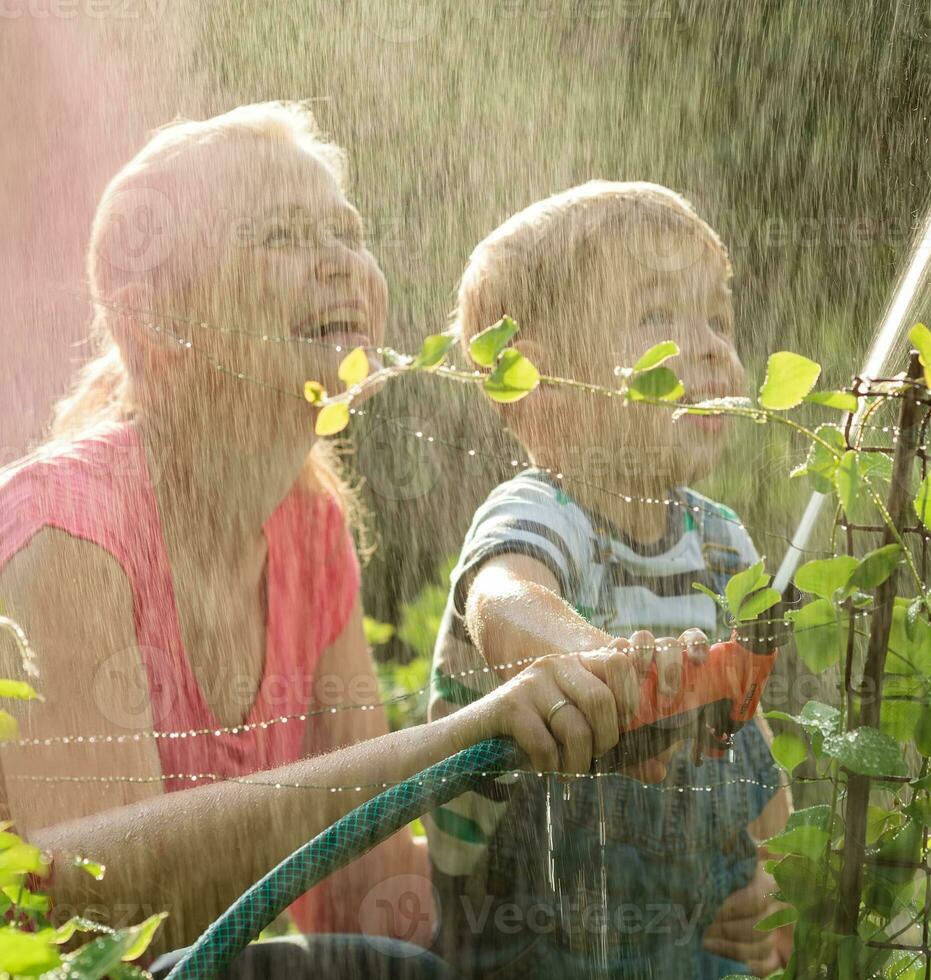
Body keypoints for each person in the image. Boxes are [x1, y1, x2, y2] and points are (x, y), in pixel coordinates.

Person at [0, 104, 647, 976]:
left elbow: (358, 886)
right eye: (281, 235)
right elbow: (86, 904)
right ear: (159, 321)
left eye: (347, 232)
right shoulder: (66, 531)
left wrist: (633, 893)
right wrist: (458, 739)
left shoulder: (310, 532)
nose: (342, 261)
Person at [425, 181, 794, 979]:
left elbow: (750, 745)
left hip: (689, 933)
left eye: (718, 320)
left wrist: (772, 882)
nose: (708, 348)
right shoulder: (540, 513)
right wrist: (597, 664)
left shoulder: (721, 542)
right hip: (524, 942)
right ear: (534, 383)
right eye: (659, 315)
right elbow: (504, 605)